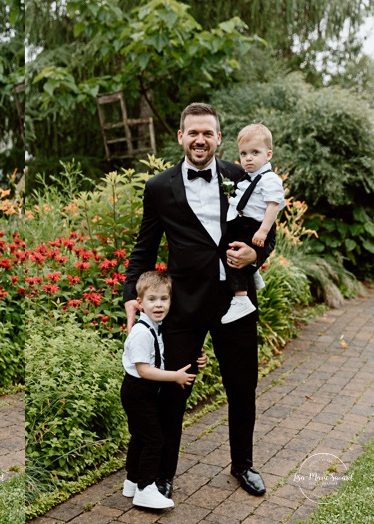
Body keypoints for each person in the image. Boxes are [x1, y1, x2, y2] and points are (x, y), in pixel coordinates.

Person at [123, 103, 274, 499]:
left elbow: (266, 229)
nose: (200, 139)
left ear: (219, 138)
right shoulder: (159, 187)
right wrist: (129, 297)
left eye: (207, 132)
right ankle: (161, 475)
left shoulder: (241, 175)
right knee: (173, 393)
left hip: (235, 302)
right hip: (183, 306)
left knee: (242, 388)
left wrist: (256, 255)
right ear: (180, 137)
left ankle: (243, 464)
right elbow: (144, 248)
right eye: (193, 132)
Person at [120, 271, 206, 510]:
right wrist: (175, 376)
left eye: (164, 299)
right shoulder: (140, 333)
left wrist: (197, 358)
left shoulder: (157, 326)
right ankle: (145, 488)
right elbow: (145, 370)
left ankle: (132, 480)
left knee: (140, 436)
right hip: (137, 391)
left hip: (144, 392)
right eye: (152, 299)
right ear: (139, 303)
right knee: (154, 439)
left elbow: (164, 354)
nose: (158, 305)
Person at [221, 123, 285, 324]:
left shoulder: (269, 179)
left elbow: (273, 206)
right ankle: (253, 272)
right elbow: (246, 200)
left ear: (268, 154)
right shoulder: (248, 178)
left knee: (233, 254)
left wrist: (263, 231)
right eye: (243, 153)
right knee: (228, 245)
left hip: (256, 226)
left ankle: (241, 299)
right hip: (245, 222)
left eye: (255, 152)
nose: (248, 158)